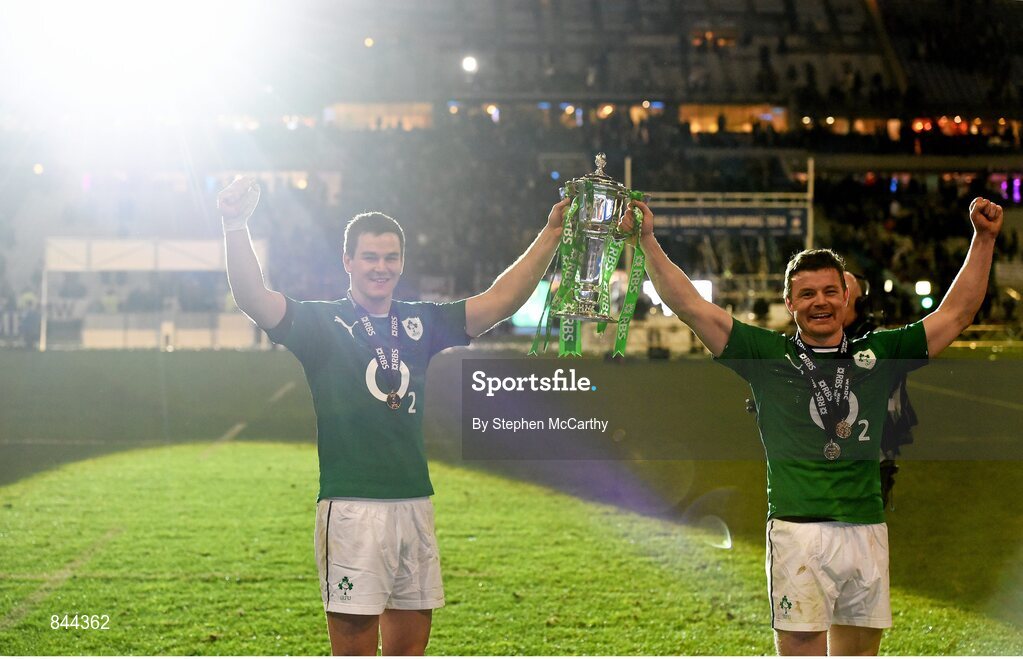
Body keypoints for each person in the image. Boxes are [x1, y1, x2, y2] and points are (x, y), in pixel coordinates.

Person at [625, 197, 1002, 655]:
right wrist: (646, 241)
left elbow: (956, 314)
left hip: (865, 526)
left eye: (829, 291)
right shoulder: (766, 356)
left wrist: (983, 239)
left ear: (846, 297)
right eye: (806, 294)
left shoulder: (879, 355)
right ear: (790, 303)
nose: (819, 302)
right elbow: (689, 306)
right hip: (798, 531)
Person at [218, 176, 569, 655]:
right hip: (353, 510)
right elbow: (253, 298)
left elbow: (499, 301)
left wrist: (551, 233)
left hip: (414, 506)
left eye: (390, 258)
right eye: (369, 257)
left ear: (401, 262)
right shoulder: (321, 324)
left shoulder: (420, 322)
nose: (380, 268)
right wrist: (235, 224)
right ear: (348, 261)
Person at [843, 272, 917, 509]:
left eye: (839, 295)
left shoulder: (878, 341)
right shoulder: (822, 341)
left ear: (859, 304)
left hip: (872, 456)